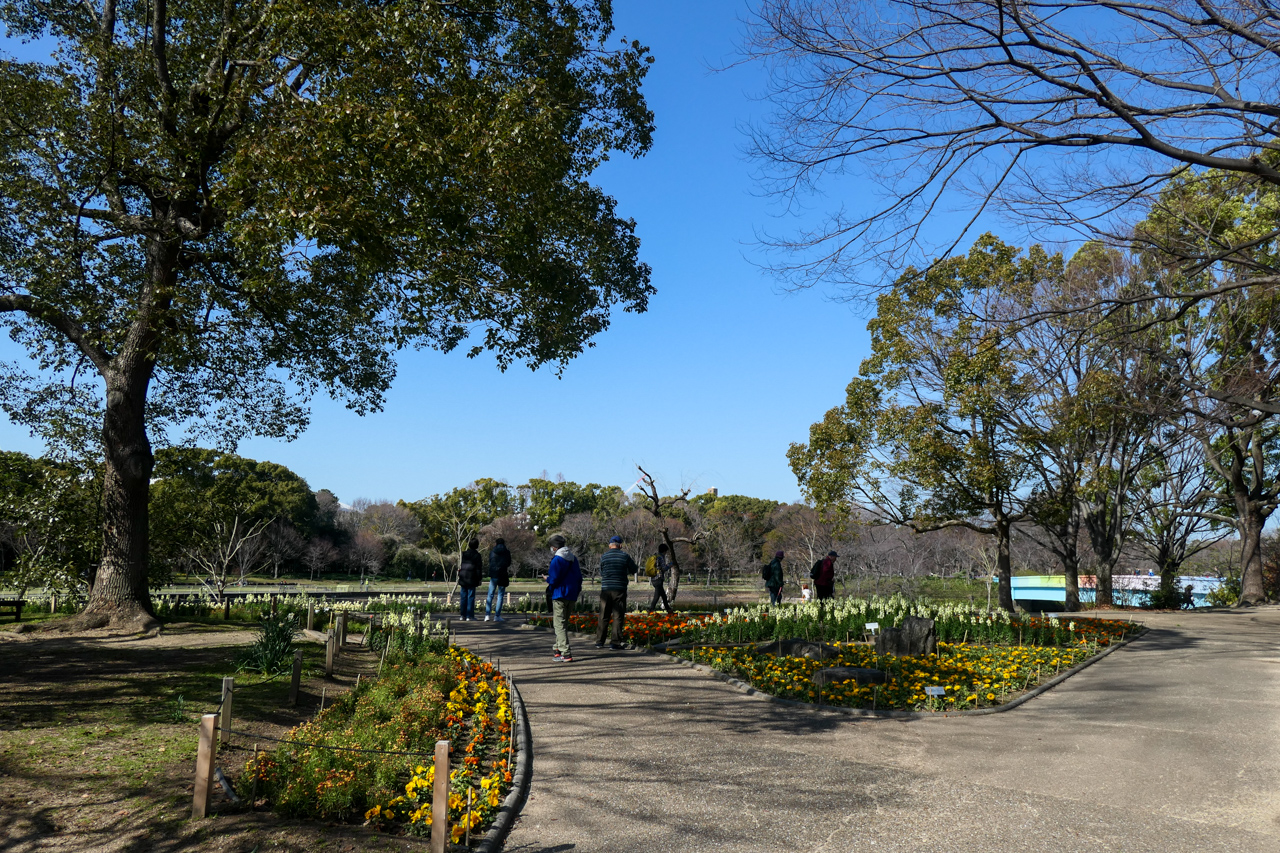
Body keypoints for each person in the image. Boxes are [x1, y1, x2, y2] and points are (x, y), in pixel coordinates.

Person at [547, 534, 583, 662]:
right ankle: (557, 649)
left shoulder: (557, 560)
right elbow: (579, 577)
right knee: (563, 623)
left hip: (559, 593)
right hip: (572, 594)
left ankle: (566, 653)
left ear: (554, 547)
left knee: (559, 624)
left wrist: (548, 581)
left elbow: (554, 578)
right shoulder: (573, 559)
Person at [596, 535, 636, 649]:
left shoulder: (604, 556)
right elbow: (634, 569)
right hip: (619, 589)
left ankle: (599, 641)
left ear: (609, 545)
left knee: (603, 615)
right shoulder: (625, 556)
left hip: (606, 588)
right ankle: (615, 642)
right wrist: (624, 571)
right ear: (620, 545)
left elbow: (602, 572)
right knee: (618, 615)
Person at [485, 537, 513, 622]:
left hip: (494, 575)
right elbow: (508, 563)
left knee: (490, 595)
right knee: (500, 595)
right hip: (503, 574)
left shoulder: (492, 552)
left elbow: (490, 561)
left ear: (496, 543)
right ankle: (497, 615)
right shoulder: (507, 552)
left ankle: (487, 615)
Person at [458, 538, 483, 621]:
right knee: (471, 596)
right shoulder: (477, 555)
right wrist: (479, 578)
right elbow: (478, 568)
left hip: (463, 576)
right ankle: (470, 615)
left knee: (463, 596)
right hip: (472, 576)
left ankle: (462, 615)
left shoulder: (464, 554)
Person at [648, 543, 674, 613]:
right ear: (664, 551)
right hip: (658, 579)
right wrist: (670, 565)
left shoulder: (655, 556)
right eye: (666, 551)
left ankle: (668, 609)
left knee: (663, 596)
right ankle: (651, 610)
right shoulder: (661, 557)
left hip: (653, 578)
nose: (666, 553)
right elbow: (664, 568)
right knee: (657, 596)